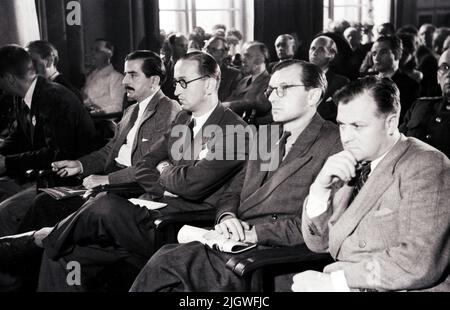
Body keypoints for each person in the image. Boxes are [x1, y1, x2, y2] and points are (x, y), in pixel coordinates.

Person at [35, 51, 249, 291]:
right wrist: (167, 181)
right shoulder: (183, 120)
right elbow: (146, 163)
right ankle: (50, 241)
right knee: (62, 258)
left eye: (183, 83)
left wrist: (165, 170)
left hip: (180, 225)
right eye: (175, 83)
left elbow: (191, 185)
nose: (176, 91)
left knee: (104, 204)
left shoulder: (234, 130)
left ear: (209, 84)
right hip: (150, 211)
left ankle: (42, 239)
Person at [129, 60, 342, 292]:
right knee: (166, 263)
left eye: (283, 89)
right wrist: (227, 217)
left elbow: (321, 226)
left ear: (313, 96)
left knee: (166, 266)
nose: (271, 98)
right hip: (235, 242)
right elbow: (235, 190)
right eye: (270, 90)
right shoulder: (268, 136)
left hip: (274, 260)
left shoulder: (334, 144)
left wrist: (255, 233)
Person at [292, 76, 450, 292]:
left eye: (357, 126)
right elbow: (319, 243)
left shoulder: (426, 164)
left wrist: (336, 283)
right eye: (342, 125)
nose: (346, 138)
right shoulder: (352, 161)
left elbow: (417, 262)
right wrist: (319, 190)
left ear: (391, 123)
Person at [0, 50, 180, 238]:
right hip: (107, 184)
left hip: (129, 190)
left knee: (46, 208)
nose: (125, 81)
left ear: (154, 81)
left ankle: (18, 254)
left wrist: (107, 180)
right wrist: (80, 165)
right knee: (45, 201)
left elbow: (148, 166)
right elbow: (110, 150)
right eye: (125, 74)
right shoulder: (132, 110)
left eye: (133, 75)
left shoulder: (168, 110)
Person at [0, 45, 96, 203]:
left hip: (71, 186)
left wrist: (7, 164)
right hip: (46, 180)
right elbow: (19, 137)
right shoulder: (22, 95)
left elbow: (56, 154)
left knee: (5, 216)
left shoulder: (54, 99)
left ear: (9, 78)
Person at [400, 49, 450, 158]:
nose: (448, 74)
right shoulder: (420, 106)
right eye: (444, 67)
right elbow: (395, 146)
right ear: (438, 77)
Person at [369, 35, 420, 123]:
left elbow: (407, 119)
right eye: (374, 53)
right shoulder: (367, 81)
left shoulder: (410, 86)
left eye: (383, 52)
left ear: (397, 54)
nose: (376, 58)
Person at [223, 41, 271, 125]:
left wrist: (228, 105)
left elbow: (259, 103)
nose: (243, 60)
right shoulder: (243, 81)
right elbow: (230, 100)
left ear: (261, 59)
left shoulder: (271, 81)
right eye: (243, 56)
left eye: (247, 56)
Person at [309, 36, 349, 123]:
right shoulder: (299, 77)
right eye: (312, 48)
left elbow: (336, 115)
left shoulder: (341, 83)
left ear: (331, 55)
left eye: (321, 50)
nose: (314, 53)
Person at [82, 39, 125, 115]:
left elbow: (118, 108)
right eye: (92, 50)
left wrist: (93, 114)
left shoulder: (117, 78)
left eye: (97, 50)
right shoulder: (90, 76)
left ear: (109, 54)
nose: (92, 54)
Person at [204, 36, 242, 101]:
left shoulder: (234, 75)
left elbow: (233, 103)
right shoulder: (198, 72)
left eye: (213, 50)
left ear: (224, 53)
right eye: (207, 48)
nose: (208, 52)